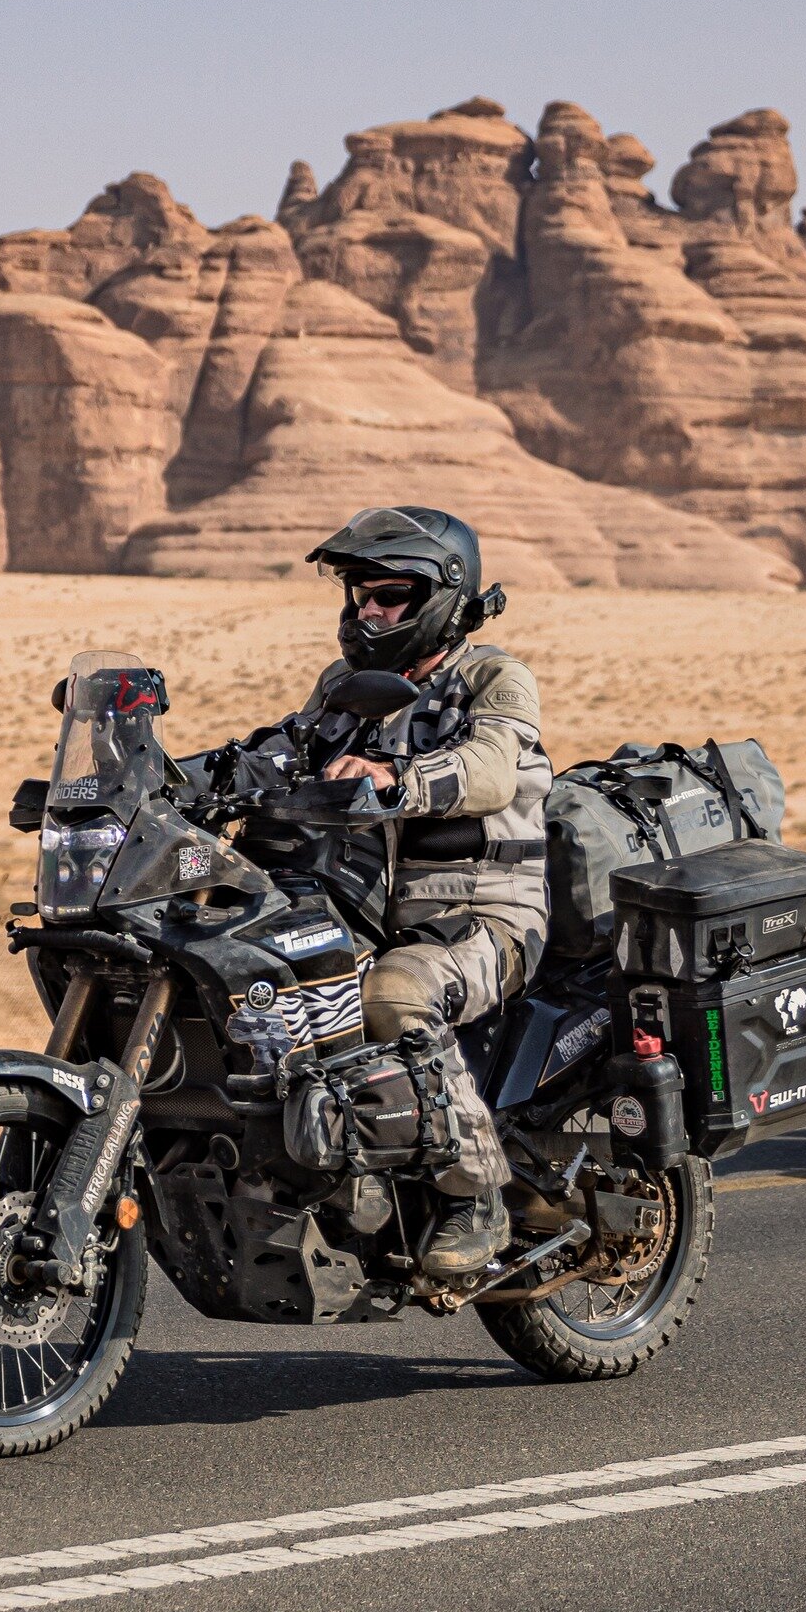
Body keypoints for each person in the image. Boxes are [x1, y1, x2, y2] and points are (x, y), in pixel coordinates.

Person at [274, 507, 551, 1275]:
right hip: (364, 910)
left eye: (388, 595)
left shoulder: (493, 678)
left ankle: (476, 1194)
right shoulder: (345, 686)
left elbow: (492, 769)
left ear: (438, 597)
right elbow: (283, 751)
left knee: (394, 996)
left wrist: (397, 778)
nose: (368, 610)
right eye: (360, 594)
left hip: (487, 917)